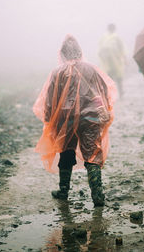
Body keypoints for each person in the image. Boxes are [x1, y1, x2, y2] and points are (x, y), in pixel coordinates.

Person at [33, 35, 117, 206]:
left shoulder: (57, 72)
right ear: (79, 51)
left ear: (63, 53)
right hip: (90, 118)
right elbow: (102, 91)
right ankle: (97, 194)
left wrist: (50, 119)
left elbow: (50, 99)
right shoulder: (91, 69)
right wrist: (105, 111)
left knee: (66, 152)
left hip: (66, 120)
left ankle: (63, 190)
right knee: (92, 153)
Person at [98, 23, 127, 97]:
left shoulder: (116, 38)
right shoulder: (105, 37)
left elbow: (122, 48)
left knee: (117, 77)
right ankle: (111, 94)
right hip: (108, 61)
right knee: (111, 77)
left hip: (115, 61)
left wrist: (123, 57)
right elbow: (100, 49)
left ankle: (119, 92)